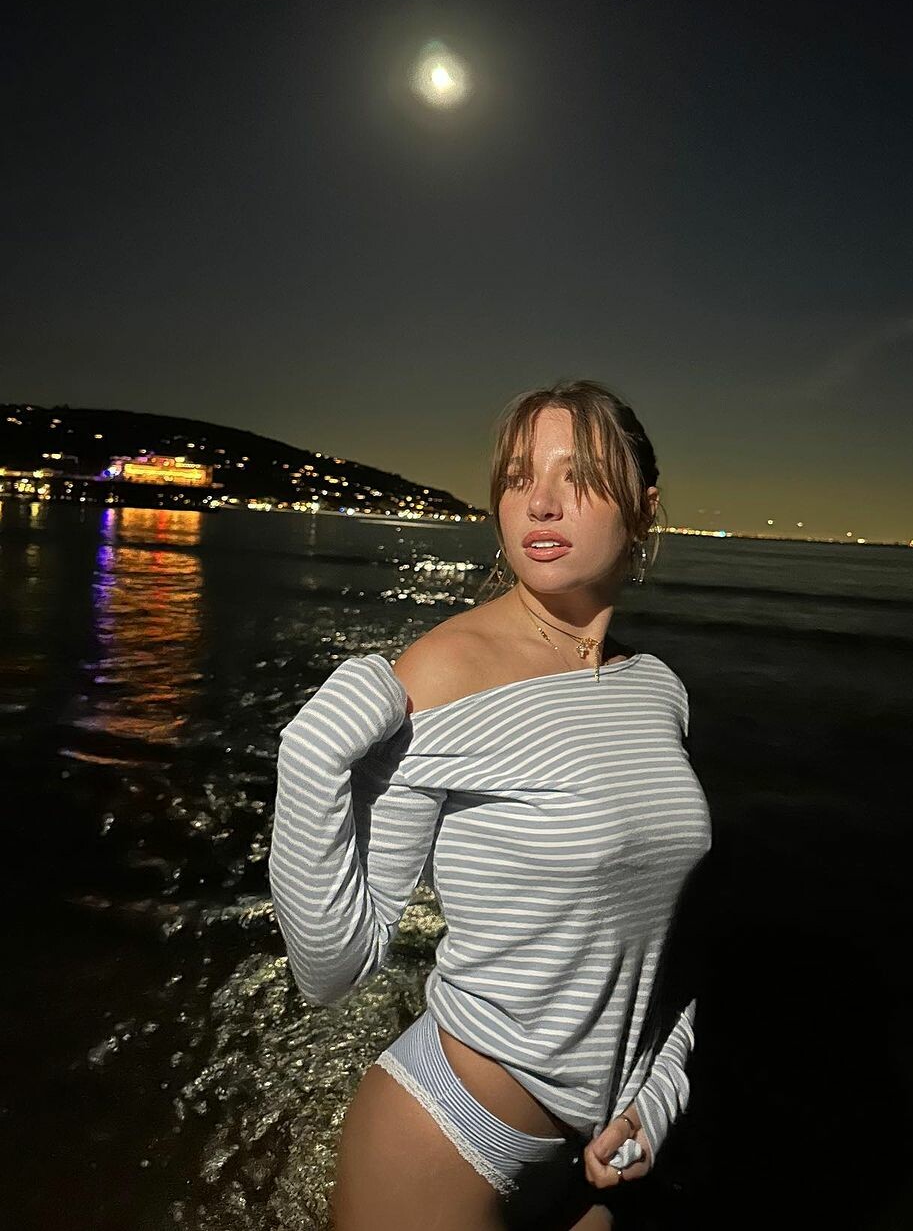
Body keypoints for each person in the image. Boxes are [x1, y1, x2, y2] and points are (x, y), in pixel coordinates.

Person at [268, 379, 712, 1230]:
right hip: (445, 1139)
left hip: (593, 1158)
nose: (540, 502)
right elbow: (333, 970)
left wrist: (661, 1087)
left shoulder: (659, 690)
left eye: (579, 476)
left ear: (643, 508)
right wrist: (310, 759)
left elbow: (660, 941)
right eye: (517, 478)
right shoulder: (442, 672)